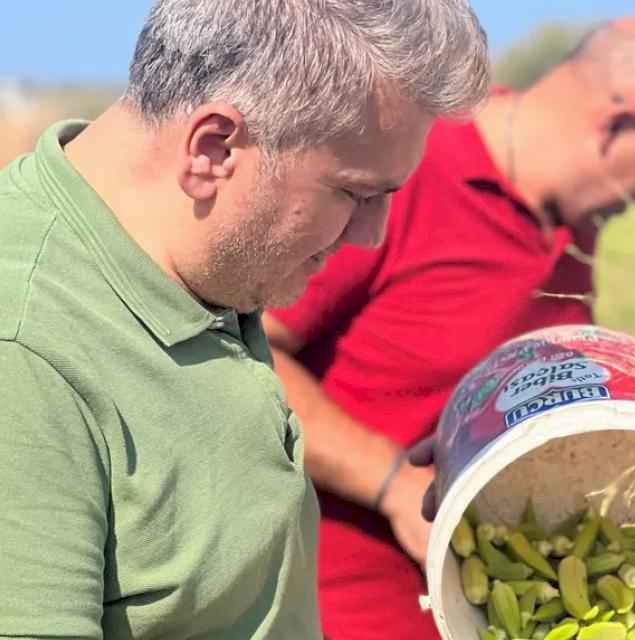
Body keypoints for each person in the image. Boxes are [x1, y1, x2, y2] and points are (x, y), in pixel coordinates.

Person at [0, 0, 488, 637]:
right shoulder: (27, 349)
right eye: (355, 193)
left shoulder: (205, 262)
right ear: (213, 149)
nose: (370, 236)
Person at [262, 15, 635, 640]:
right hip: (330, 610)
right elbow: (246, 351)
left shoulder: (574, 229)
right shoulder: (405, 172)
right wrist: (394, 485)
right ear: (617, 124)